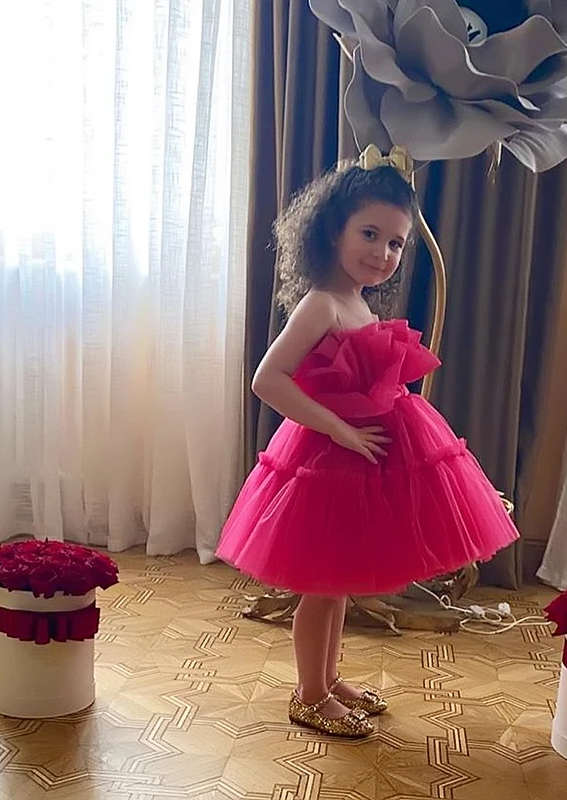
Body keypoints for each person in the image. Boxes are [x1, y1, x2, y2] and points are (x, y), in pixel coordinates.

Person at [216, 146, 519, 738]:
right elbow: (268, 379)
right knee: (322, 589)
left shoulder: (356, 301)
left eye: (396, 243)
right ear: (333, 230)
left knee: (339, 586)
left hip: (364, 455)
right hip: (329, 461)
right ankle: (309, 695)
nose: (383, 253)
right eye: (370, 234)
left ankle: (327, 679)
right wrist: (338, 427)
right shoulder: (321, 304)